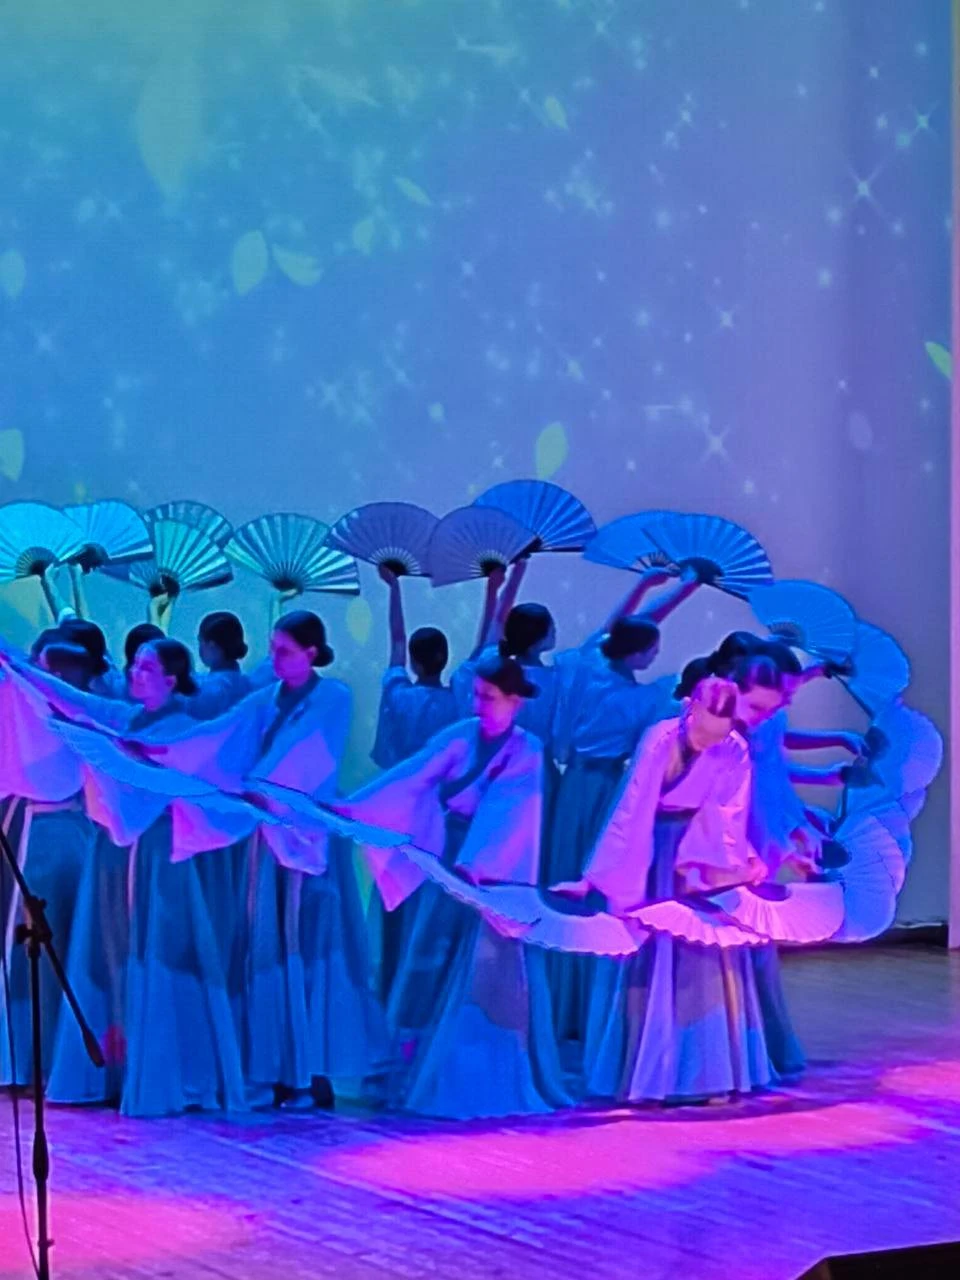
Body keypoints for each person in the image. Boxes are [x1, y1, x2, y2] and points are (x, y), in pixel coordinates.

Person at [134, 611, 382, 1109]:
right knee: (265, 947)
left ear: (312, 652)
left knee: (310, 948)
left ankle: (309, 1072)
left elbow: (303, 754)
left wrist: (254, 785)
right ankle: (276, 1068)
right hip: (268, 833)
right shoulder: (265, 697)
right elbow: (219, 733)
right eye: (273, 649)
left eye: (285, 651)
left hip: (307, 837)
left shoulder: (332, 696)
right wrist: (158, 749)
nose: (275, 659)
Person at [0, 637, 253, 1115]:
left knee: (157, 955)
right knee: (111, 957)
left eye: (146, 668)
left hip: (158, 856)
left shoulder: (183, 730)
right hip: (115, 854)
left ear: (171, 680)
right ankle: (116, 1070)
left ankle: (169, 1076)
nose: (135, 673)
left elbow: (204, 772)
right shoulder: (125, 717)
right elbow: (69, 698)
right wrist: (14, 662)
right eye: (134, 665)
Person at [345, 653, 569, 1119]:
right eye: (477, 695)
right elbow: (413, 776)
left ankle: (473, 1070)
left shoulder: (527, 749)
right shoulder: (460, 735)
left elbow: (514, 812)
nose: (479, 705)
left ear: (514, 701)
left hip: (491, 872)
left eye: (489, 697)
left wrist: (478, 864)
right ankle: (410, 1070)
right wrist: (356, 808)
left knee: (484, 967)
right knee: (429, 958)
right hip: (449, 860)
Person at [557, 678, 774, 1105]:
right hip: (651, 852)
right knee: (648, 956)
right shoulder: (659, 739)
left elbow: (728, 816)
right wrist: (594, 879)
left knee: (703, 959)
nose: (707, 743)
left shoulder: (733, 748)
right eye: (702, 732)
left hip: (700, 852)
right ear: (689, 709)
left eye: (717, 736)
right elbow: (630, 810)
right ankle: (647, 1075)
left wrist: (728, 867)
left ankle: (706, 1074)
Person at [369, 566, 457, 1001]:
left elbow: (396, 643)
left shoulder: (398, 695)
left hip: (399, 810)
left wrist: (394, 589)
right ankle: (422, 989)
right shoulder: (460, 703)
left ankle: (390, 982)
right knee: (430, 895)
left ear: (416, 662)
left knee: (395, 892)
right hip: (437, 812)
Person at [193, 611, 252, 719]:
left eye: (200, 641)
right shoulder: (249, 684)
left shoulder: (210, 690)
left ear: (212, 645)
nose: (200, 649)